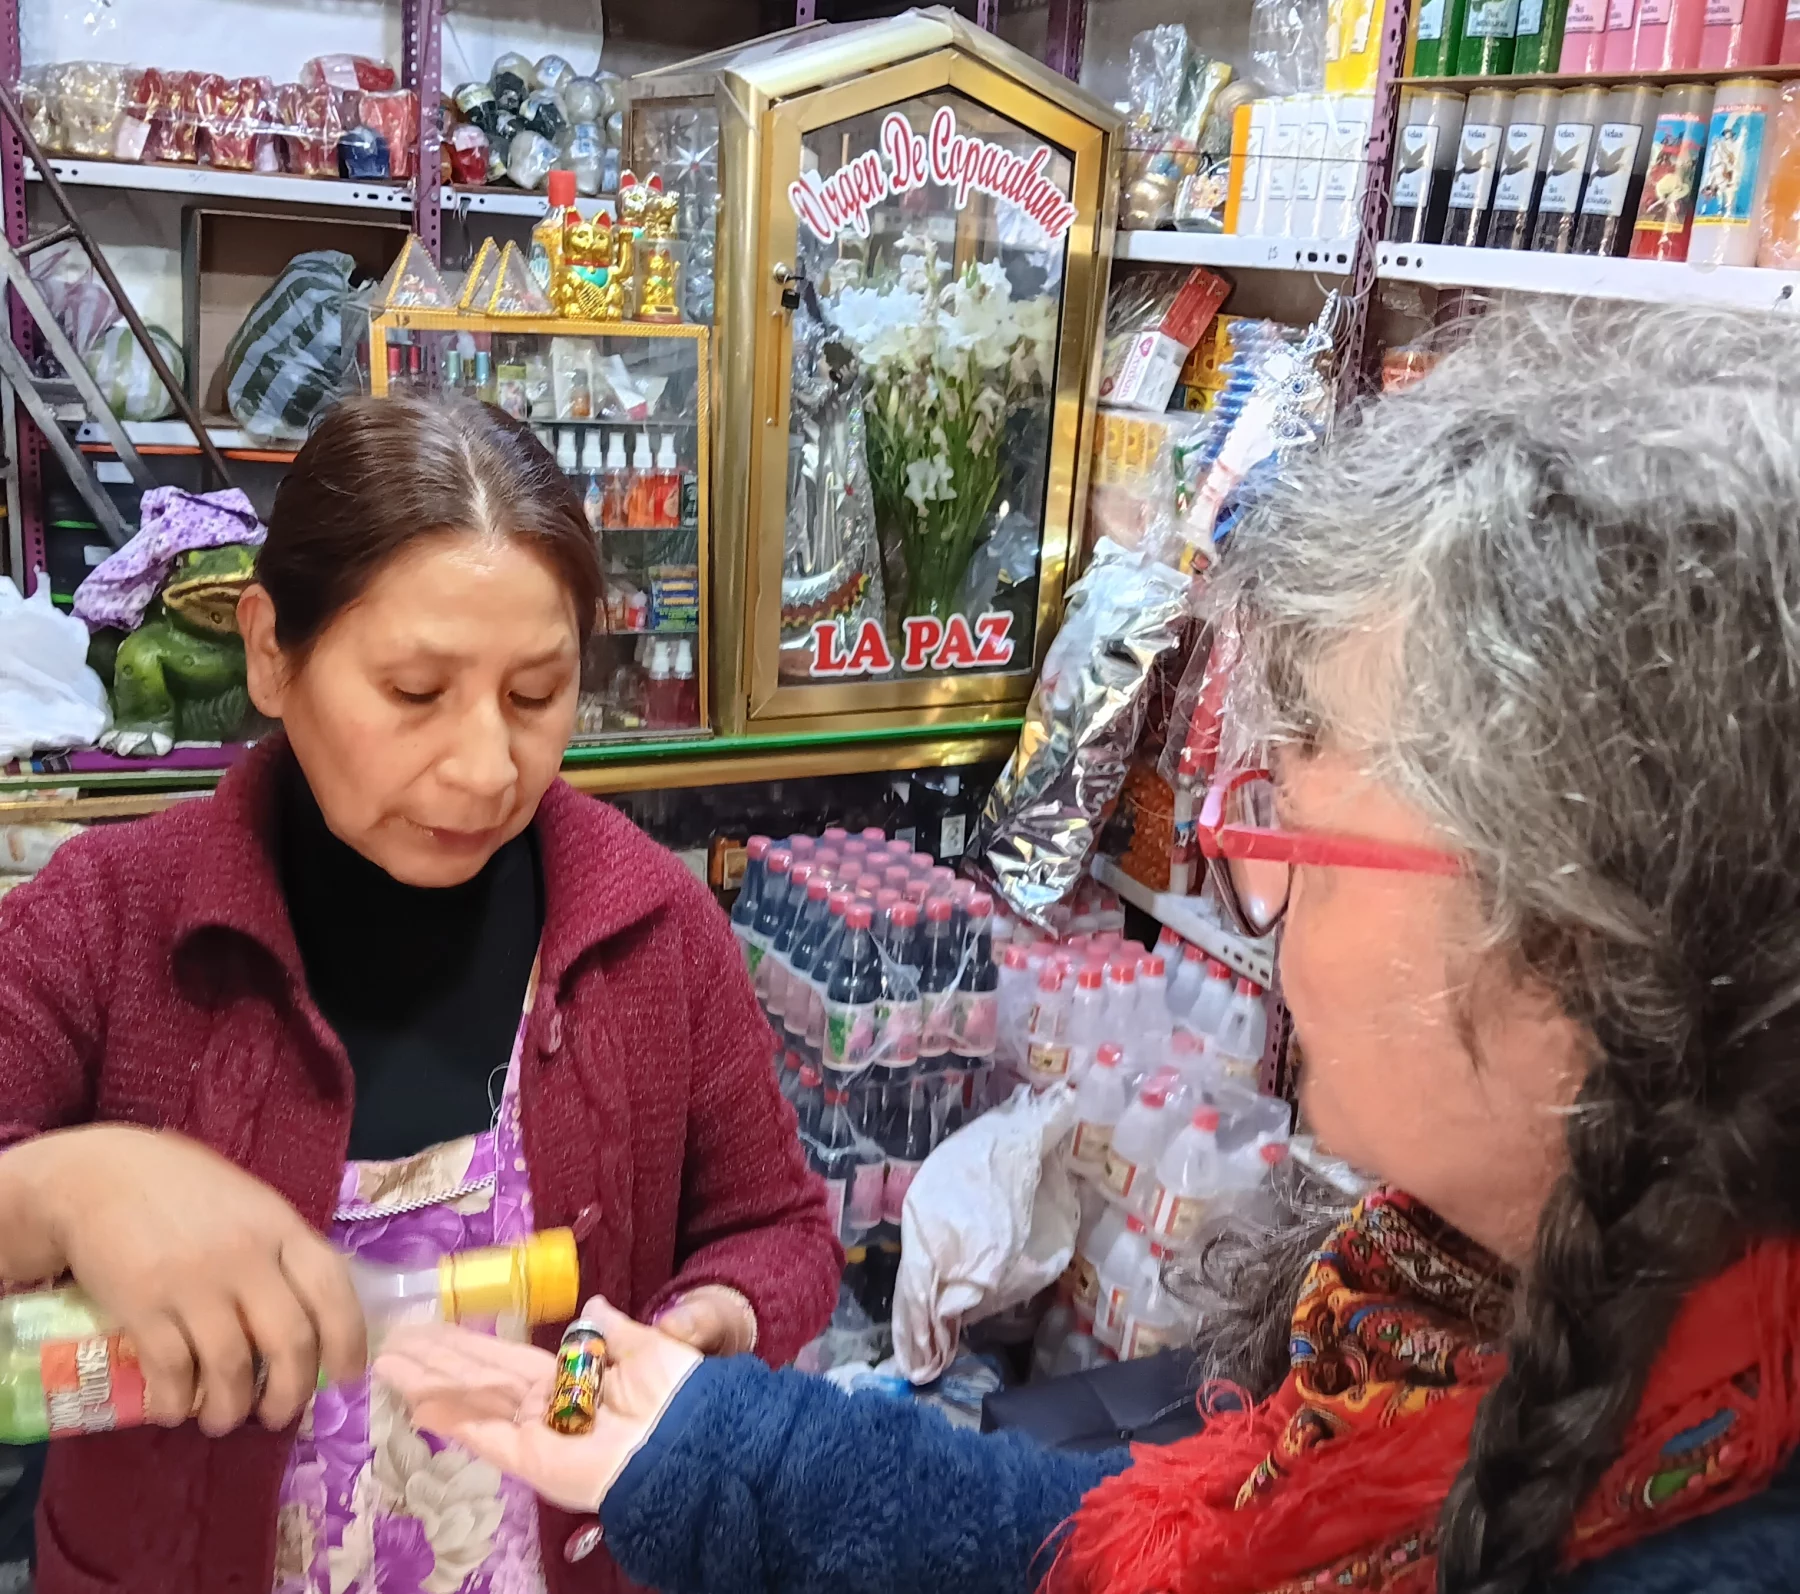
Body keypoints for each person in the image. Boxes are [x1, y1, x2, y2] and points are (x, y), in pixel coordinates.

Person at [376, 302, 1800, 1594]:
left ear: (1576, 943)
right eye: (413, 688)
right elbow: (1108, 1546)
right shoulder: (1436, 1314)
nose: (1256, 895)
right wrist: (725, 1449)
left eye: (1294, 831)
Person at [0, 395, 840, 1594]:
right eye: (413, 692)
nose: (488, 768)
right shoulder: (107, 922)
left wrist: (719, 1313)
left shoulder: (653, 932)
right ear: (270, 652)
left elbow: (782, 1229)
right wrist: (60, 1189)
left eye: (535, 696)